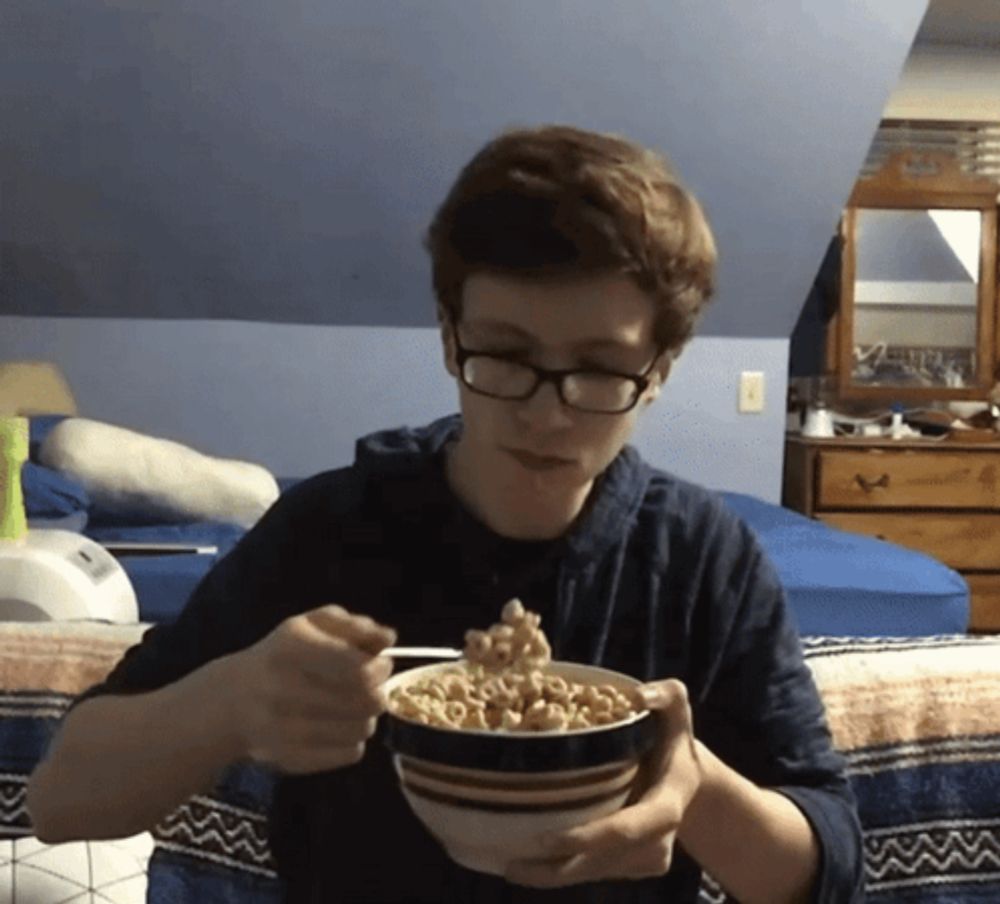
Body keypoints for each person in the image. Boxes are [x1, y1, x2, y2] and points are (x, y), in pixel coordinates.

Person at [27, 124, 865, 903]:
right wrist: (232, 700)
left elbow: (828, 867)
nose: (544, 414)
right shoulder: (330, 529)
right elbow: (62, 804)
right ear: (448, 335)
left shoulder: (702, 558)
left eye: (601, 370)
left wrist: (695, 790)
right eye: (504, 353)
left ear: (662, 369)